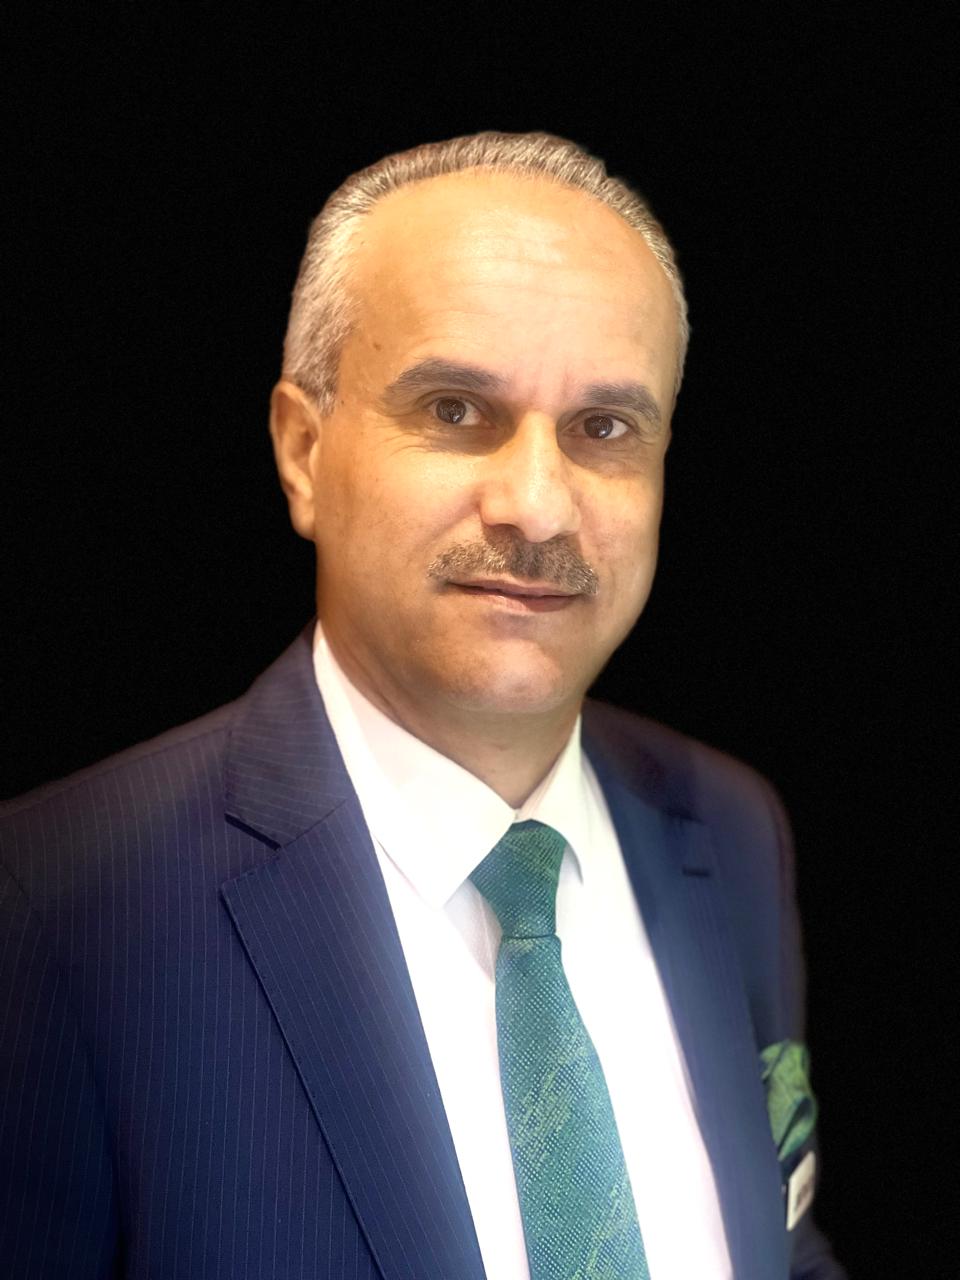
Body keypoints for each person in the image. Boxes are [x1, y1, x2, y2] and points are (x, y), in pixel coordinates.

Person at [0, 131, 845, 1279]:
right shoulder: (58, 905)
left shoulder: (730, 830)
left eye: (604, 428)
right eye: (457, 409)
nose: (538, 505)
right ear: (303, 451)